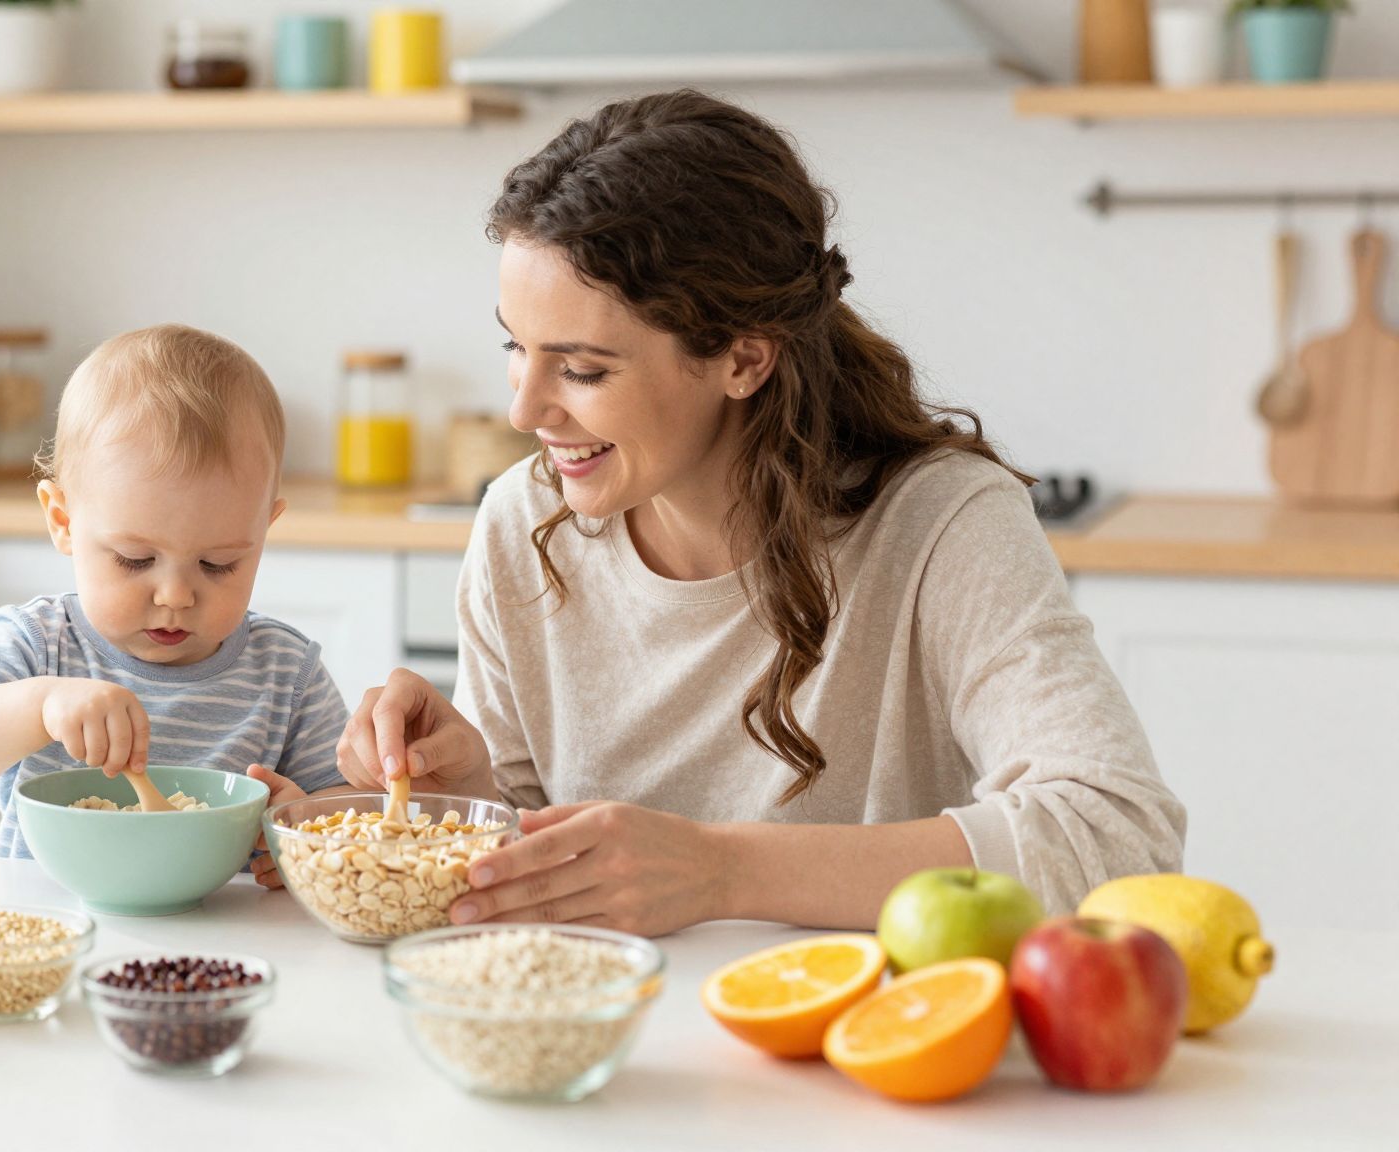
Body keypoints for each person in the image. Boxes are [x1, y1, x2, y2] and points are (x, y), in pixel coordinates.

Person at [332, 90, 1185, 935]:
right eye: (515, 348)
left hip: (873, 1043)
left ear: (742, 359)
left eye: (583, 370)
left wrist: (723, 871)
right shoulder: (524, 524)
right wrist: (469, 786)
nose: (525, 412)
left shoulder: (941, 525)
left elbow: (1118, 835)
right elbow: (536, 874)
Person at [0, 324, 348, 859]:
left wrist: (304, 825)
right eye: (135, 560)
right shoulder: (41, 645)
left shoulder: (286, 675)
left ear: (264, 531)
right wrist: (41, 705)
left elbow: (344, 808)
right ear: (63, 520)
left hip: (225, 937)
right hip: (52, 931)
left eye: (219, 564)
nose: (175, 595)